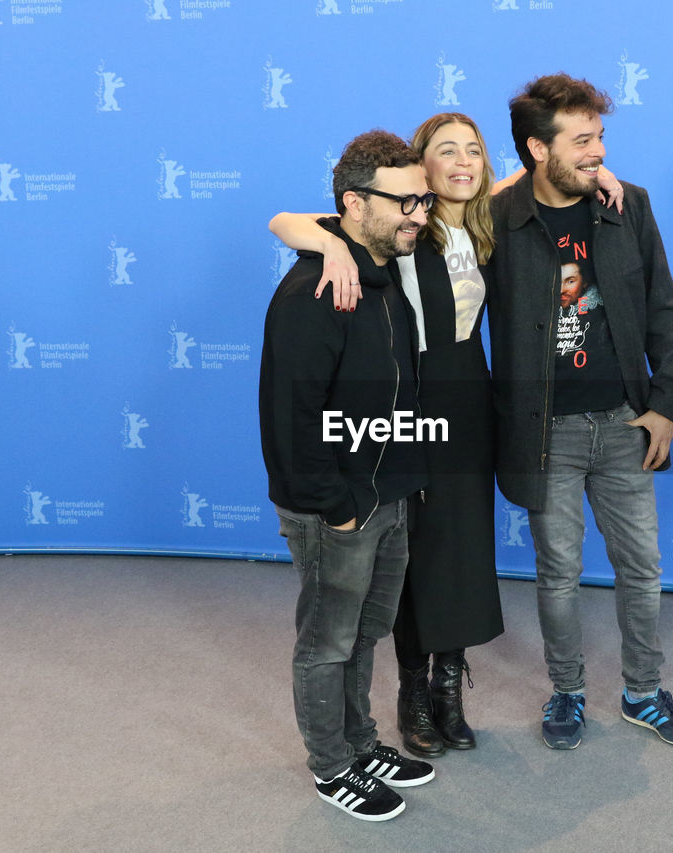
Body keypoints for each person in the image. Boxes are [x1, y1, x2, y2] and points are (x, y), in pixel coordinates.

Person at [269, 113, 505, 760]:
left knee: (442, 559)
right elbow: (296, 221)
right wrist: (331, 244)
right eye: (445, 152)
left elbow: (550, 175)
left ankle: (426, 701)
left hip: (450, 420)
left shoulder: (482, 224)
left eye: (474, 150)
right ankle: (381, 718)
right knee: (374, 590)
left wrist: (602, 170)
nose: (461, 161)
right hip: (387, 432)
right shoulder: (380, 246)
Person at [488, 73, 673, 750]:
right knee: (557, 573)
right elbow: (433, 208)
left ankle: (643, 692)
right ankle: (568, 692)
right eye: (582, 141)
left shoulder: (627, 205)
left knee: (642, 566)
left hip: (621, 421)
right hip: (541, 429)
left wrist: (665, 405)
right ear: (535, 148)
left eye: (601, 137)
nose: (598, 152)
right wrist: (510, 184)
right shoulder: (497, 218)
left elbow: (665, 311)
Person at [259, 129, 438, 822]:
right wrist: (335, 507)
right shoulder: (314, 291)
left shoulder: (381, 272)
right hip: (339, 507)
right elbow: (290, 418)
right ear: (354, 205)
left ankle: (361, 741)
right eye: (406, 201)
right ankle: (331, 764)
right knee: (326, 641)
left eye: (423, 199)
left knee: (365, 633)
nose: (419, 214)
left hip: (387, 494)